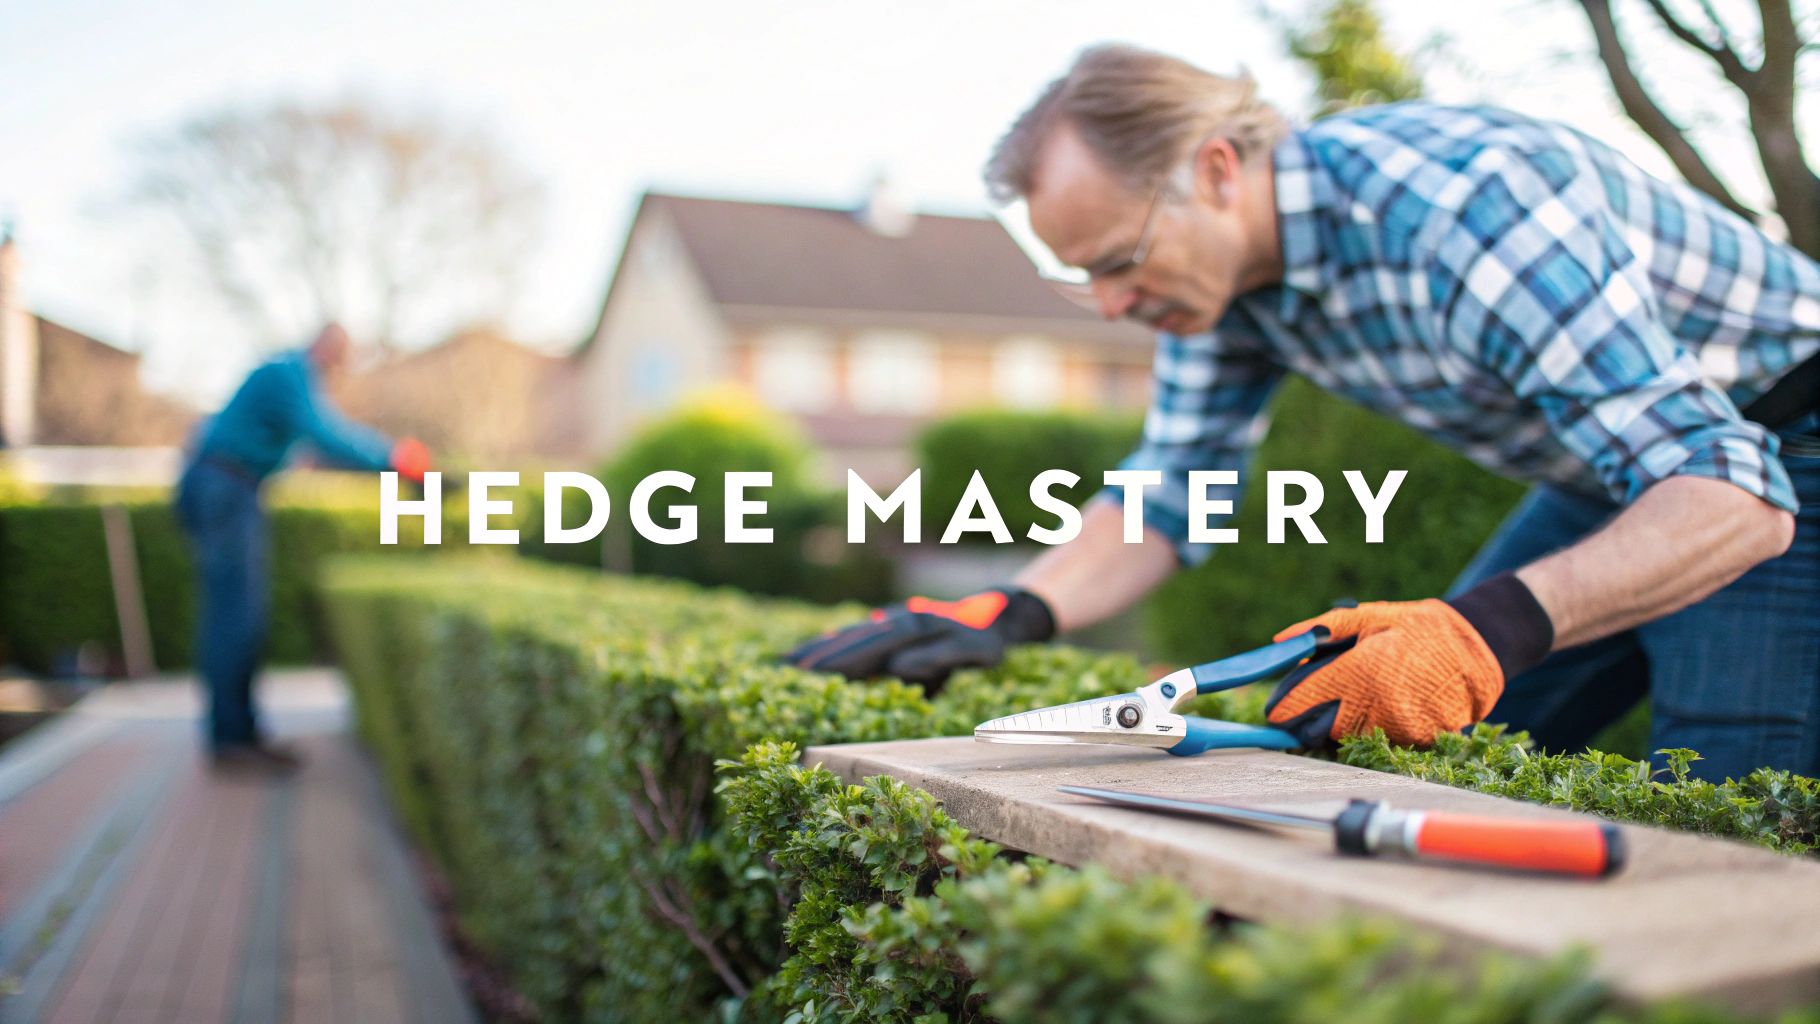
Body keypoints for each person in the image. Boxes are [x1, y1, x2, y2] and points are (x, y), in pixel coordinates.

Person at [788, 45, 1820, 782]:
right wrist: (1010, 609)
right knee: (1401, 750)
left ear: (1216, 171)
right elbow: (1169, 489)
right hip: (1615, 470)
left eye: (1116, 260)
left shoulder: (1466, 212)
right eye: (1081, 277)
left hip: (1774, 450)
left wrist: (1486, 627)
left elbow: (1732, 491)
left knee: (1714, 789)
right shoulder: (1212, 288)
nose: (1109, 305)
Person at [175, 323, 430, 772]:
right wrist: (397, 461)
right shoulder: (289, 373)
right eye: (340, 358)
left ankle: (238, 734)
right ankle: (231, 740)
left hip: (225, 486)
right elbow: (326, 432)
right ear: (326, 347)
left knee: (236, 615)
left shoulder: (285, 380)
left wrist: (390, 471)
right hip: (226, 488)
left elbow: (319, 447)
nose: (339, 369)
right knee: (236, 618)